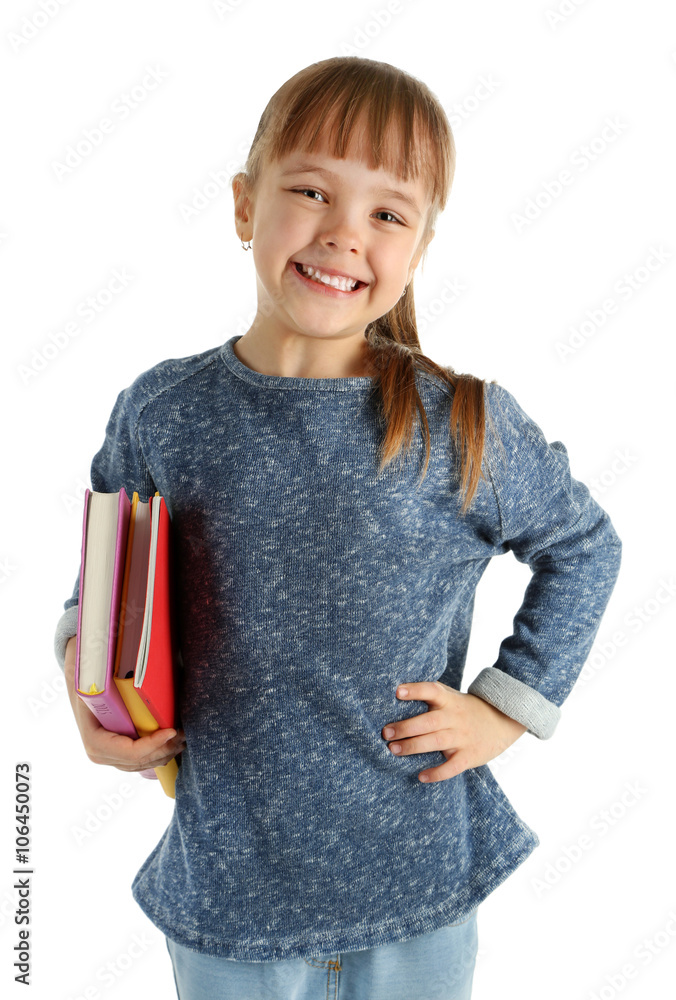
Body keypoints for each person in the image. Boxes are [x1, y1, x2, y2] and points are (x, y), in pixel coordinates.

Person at [54, 56, 622, 1000]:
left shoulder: (463, 425)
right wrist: (88, 690)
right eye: (311, 190)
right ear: (244, 206)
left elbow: (585, 547)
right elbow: (101, 591)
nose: (343, 235)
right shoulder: (164, 412)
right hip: (228, 895)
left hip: (420, 885)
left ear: (419, 247)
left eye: (387, 214)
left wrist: (508, 706)